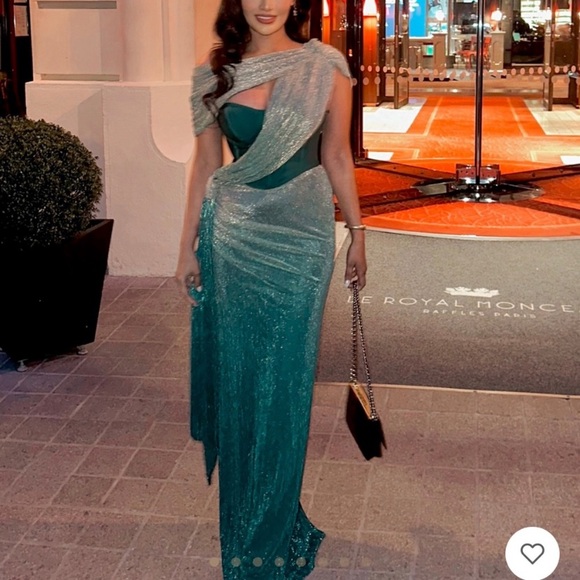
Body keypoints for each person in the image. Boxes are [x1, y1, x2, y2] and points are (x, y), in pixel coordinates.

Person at [175, 0, 367, 577]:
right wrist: (186, 245)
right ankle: (252, 529)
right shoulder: (212, 74)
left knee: (285, 385)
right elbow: (205, 164)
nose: (265, 4)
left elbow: (337, 154)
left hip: (303, 238)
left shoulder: (326, 66)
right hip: (233, 235)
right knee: (241, 382)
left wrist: (358, 234)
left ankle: (272, 527)